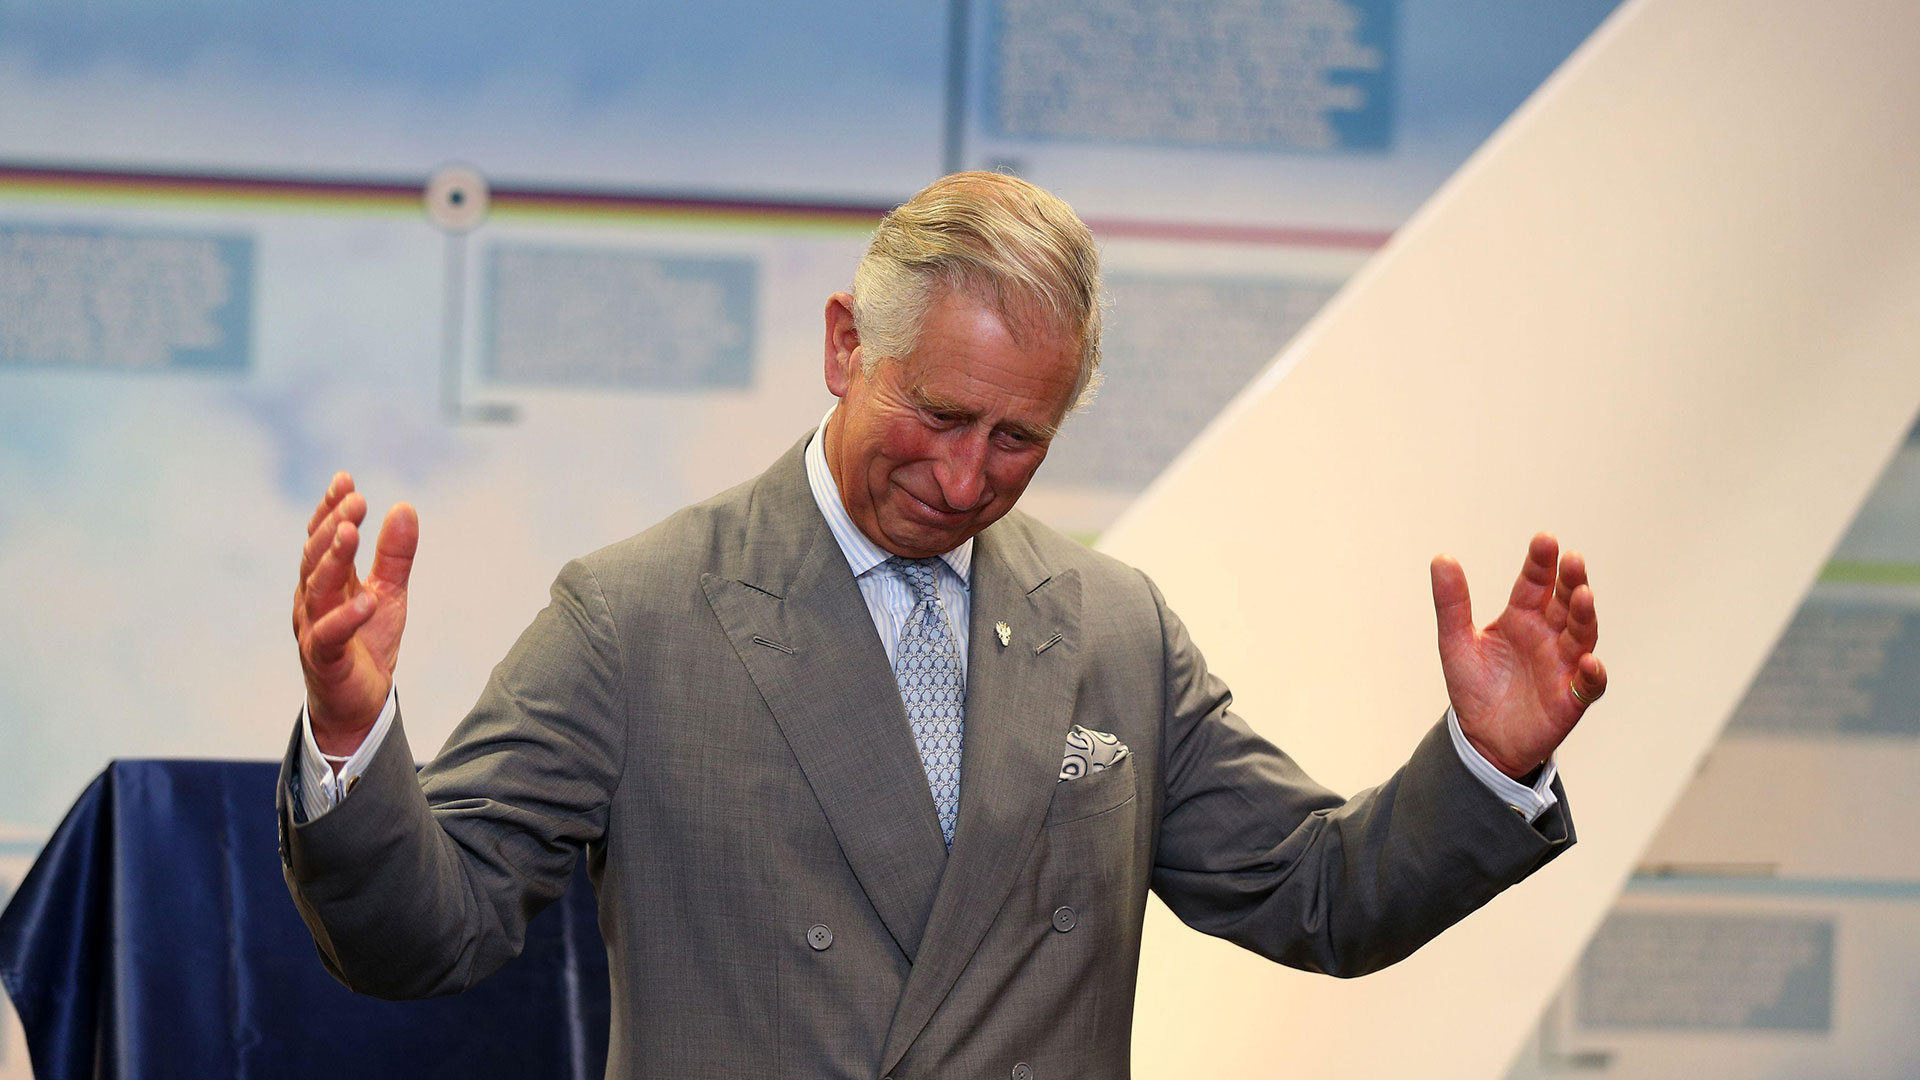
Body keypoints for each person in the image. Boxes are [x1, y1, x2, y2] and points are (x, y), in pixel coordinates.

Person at [280, 172, 1606, 1080]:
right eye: (939, 416)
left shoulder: (1114, 630)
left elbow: (1319, 897)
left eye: (1018, 438)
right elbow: (427, 936)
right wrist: (352, 737)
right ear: (845, 345)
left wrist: (1487, 765)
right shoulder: (636, 616)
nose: (965, 482)